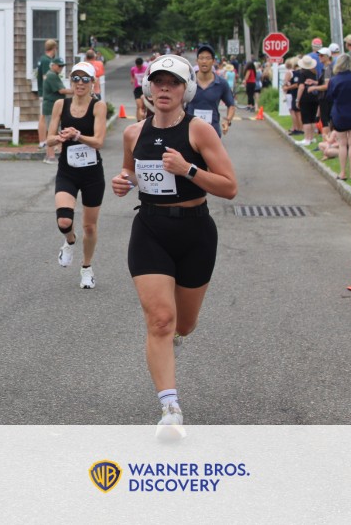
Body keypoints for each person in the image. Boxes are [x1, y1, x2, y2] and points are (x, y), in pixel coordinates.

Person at [111, 54, 237, 439]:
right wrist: (123, 181)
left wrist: (189, 170)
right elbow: (131, 171)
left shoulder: (199, 131)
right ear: (148, 87)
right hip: (150, 228)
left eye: (174, 83)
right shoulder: (133, 133)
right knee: (161, 320)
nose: (165, 89)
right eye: (159, 82)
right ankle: (170, 409)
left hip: (196, 231)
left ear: (186, 90)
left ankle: (175, 338)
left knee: (184, 324)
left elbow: (230, 187)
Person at [46, 61, 108, 289]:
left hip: (92, 174)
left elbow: (99, 141)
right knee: (64, 220)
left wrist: (78, 135)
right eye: (75, 78)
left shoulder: (98, 106)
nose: (80, 83)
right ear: (70, 81)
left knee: (89, 226)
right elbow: (49, 139)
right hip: (68, 171)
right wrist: (59, 137)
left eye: (85, 79)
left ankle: (86, 268)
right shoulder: (60, 104)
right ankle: (70, 239)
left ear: (92, 83)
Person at [326, 54, 351, 180]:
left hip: (340, 113)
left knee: (342, 144)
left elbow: (329, 97)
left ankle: (342, 172)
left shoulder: (334, 80)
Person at [187, 43, 236, 138]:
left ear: (213, 61)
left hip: (213, 133)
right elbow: (177, 102)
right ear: (197, 61)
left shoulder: (221, 83)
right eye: (201, 58)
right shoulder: (188, 81)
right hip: (190, 132)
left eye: (208, 58)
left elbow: (231, 105)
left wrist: (227, 120)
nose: (204, 61)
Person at [41, 57, 72, 164]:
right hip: (51, 107)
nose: (61, 68)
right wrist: (76, 91)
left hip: (51, 106)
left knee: (53, 131)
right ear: (53, 65)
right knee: (52, 132)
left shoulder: (52, 75)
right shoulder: (52, 75)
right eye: (59, 66)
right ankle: (50, 156)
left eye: (62, 66)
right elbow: (61, 90)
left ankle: (48, 155)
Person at [294, 55, 321, 145]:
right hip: (315, 97)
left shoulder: (303, 73)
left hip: (305, 97)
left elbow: (301, 87)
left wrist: (297, 99)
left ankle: (307, 139)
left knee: (306, 119)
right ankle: (312, 138)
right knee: (312, 118)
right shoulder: (315, 73)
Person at [37, 39, 58, 148]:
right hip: (45, 93)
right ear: (54, 48)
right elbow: (46, 77)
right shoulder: (47, 61)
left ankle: (44, 140)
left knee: (45, 116)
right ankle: (42, 141)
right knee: (44, 116)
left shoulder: (43, 59)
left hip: (44, 93)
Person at [282, 56, 303, 135]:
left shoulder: (290, 73)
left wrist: (286, 87)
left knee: (293, 111)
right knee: (297, 112)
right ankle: (297, 127)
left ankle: (295, 127)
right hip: (294, 93)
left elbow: (286, 83)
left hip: (291, 93)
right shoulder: (299, 72)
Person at [130, 57, 148, 121]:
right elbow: (132, 76)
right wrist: (132, 80)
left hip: (144, 88)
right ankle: (138, 121)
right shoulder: (133, 69)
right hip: (137, 88)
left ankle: (144, 120)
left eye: (140, 66)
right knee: (139, 105)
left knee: (144, 106)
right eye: (137, 66)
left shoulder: (146, 69)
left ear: (142, 64)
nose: (139, 67)